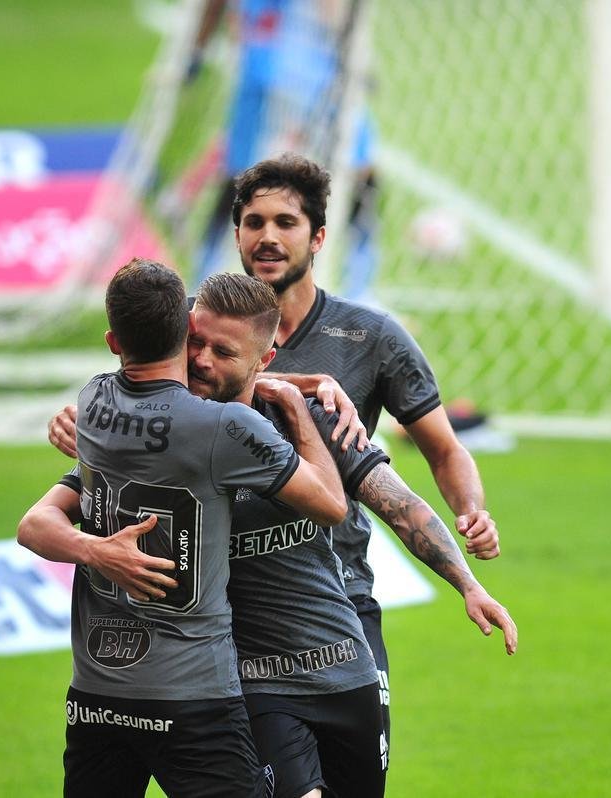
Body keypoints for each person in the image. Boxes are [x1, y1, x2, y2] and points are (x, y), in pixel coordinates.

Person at [49, 154, 503, 754]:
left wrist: (470, 514)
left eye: (285, 223)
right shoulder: (194, 339)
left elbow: (441, 450)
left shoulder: (371, 338)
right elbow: (139, 409)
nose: (267, 236)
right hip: (228, 617)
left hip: (342, 604)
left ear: (318, 237)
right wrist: (83, 427)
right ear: (235, 232)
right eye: (253, 221)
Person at [17, 258, 348, 798]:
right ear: (188, 329)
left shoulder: (91, 404)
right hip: (193, 695)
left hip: (97, 696)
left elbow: (33, 525)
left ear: (111, 341)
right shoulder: (224, 428)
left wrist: (96, 551)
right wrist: (293, 398)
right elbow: (331, 504)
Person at [185, 0, 380, 299]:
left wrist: (196, 52)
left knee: (239, 178)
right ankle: (360, 289)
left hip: (259, 63)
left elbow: (214, 6)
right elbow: (331, 11)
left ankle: (203, 281)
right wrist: (358, 58)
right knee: (360, 173)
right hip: (314, 67)